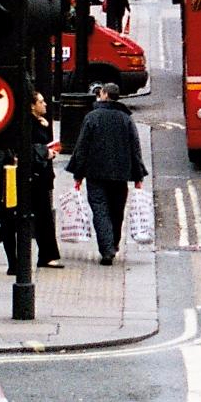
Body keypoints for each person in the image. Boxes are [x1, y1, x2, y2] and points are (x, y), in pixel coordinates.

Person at [66, 83, 147, 266]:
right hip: (120, 175)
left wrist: (78, 174)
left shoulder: (92, 117)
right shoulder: (126, 119)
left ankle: (107, 249)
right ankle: (113, 244)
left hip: (96, 174)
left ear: (103, 94)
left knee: (100, 211)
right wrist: (138, 176)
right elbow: (135, 147)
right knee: (116, 211)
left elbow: (82, 147)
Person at [25, 93, 63, 268]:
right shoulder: (28, 124)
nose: (45, 104)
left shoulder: (39, 122)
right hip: (34, 178)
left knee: (41, 217)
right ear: (32, 106)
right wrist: (45, 153)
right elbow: (28, 149)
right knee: (39, 218)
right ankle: (47, 255)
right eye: (41, 101)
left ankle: (47, 255)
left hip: (41, 176)